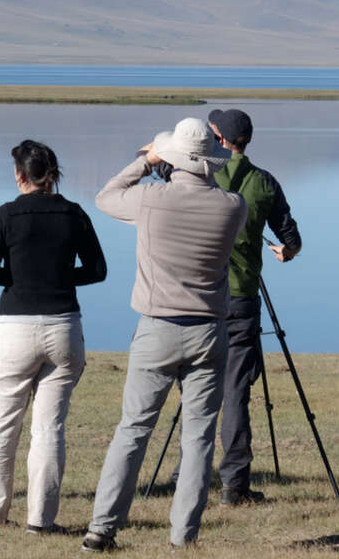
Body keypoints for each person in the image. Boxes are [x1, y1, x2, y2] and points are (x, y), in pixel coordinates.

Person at [82, 118, 247, 551]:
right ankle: (183, 536)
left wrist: (147, 161)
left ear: (173, 157)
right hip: (210, 333)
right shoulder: (233, 206)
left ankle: (102, 528)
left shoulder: (151, 199)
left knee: (133, 430)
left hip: (157, 329)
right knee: (197, 439)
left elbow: (104, 197)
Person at [0, 139, 107, 533]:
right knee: (49, 429)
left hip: (14, 328)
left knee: (2, 425)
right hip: (64, 327)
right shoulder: (74, 213)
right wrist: (61, 278)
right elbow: (97, 270)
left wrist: (17, 279)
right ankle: (41, 520)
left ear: (19, 175)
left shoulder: (6, 215)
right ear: (53, 175)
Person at [204, 108, 302, 506]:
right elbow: (291, 236)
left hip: (200, 298)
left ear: (220, 140)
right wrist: (287, 253)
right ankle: (235, 485)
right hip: (243, 297)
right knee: (236, 391)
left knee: (197, 388)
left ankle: (186, 473)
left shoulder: (199, 176)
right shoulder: (265, 182)